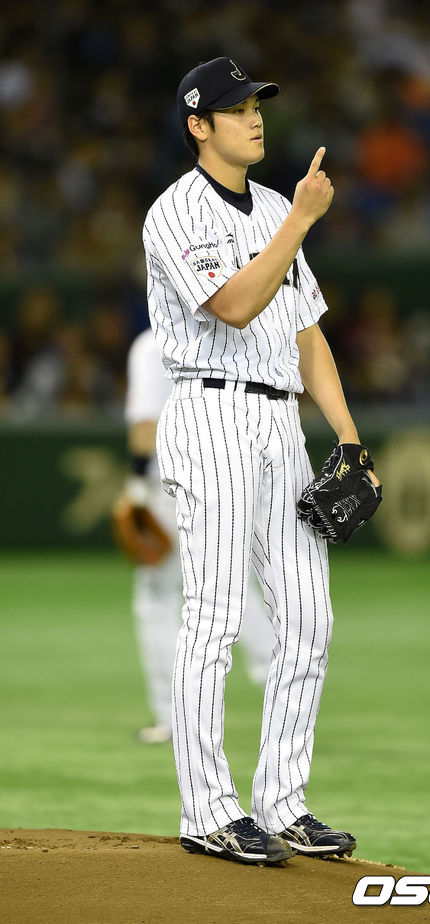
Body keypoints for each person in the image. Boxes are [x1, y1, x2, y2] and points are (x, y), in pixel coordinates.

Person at [142, 56, 380, 865]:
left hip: (282, 423)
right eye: (238, 108)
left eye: (257, 106)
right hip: (210, 410)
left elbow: (308, 336)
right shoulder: (176, 212)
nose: (255, 117)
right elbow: (237, 306)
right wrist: (302, 222)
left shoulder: (277, 206)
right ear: (198, 125)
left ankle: (283, 801)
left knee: (309, 616)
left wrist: (349, 439)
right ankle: (208, 810)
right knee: (213, 617)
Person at [115, 326, 275, 743]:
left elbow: (145, 423)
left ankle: (172, 717)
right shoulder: (225, 333)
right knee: (234, 590)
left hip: (171, 485)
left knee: (157, 599)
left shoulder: (152, 344)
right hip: (234, 477)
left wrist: (135, 488)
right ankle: (283, 682)